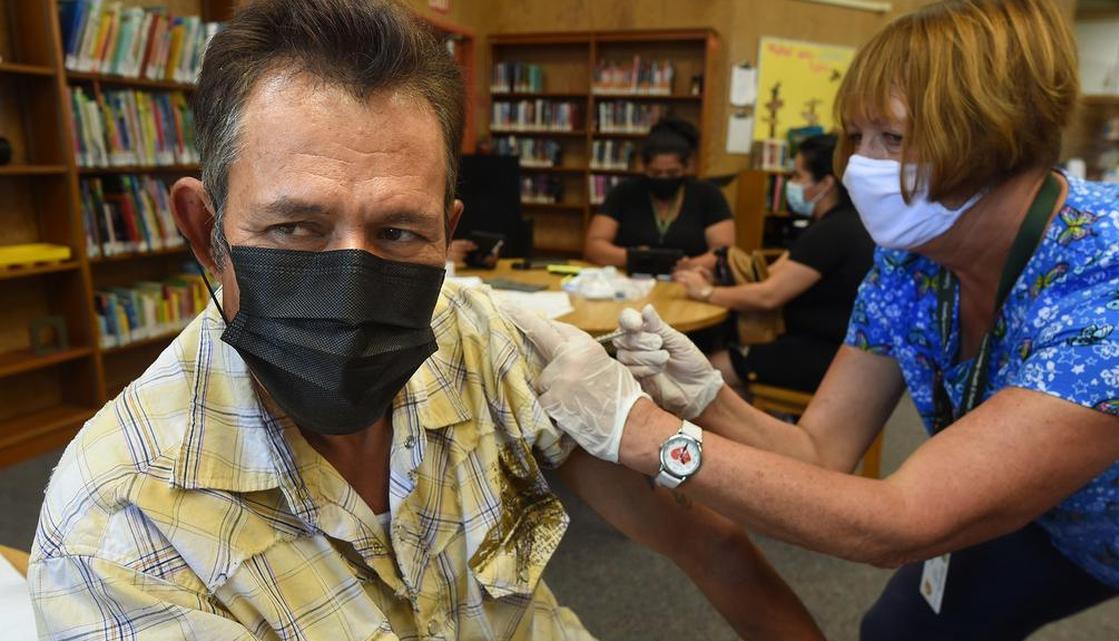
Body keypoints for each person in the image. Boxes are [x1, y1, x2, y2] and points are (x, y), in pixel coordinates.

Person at [27, 2, 825, 640]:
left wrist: (663, 430)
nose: (352, 277)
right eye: (296, 228)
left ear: (450, 231)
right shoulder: (121, 529)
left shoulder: (475, 336)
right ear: (206, 230)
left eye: (398, 233)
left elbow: (705, 541)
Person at [507, 1, 1119, 639]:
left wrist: (643, 435)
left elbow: (899, 522)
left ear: (1001, 136)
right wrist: (707, 399)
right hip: (1052, 522)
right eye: (856, 136)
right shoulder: (908, 266)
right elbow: (822, 452)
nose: (858, 167)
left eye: (892, 139)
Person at [673, 134, 874, 393]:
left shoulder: (831, 232)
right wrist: (717, 282)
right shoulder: (843, 223)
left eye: (798, 176)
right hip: (841, 351)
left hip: (820, 354)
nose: (791, 184)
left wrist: (706, 292)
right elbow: (770, 276)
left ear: (825, 183)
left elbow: (768, 295)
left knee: (702, 372)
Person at [584, 119, 734, 271]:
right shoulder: (624, 192)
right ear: (644, 166)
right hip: (631, 281)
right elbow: (593, 245)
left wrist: (690, 265)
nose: (664, 178)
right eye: (656, 172)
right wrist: (631, 257)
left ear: (687, 167)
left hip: (690, 280)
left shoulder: (708, 194)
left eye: (672, 173)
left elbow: (724, 252)